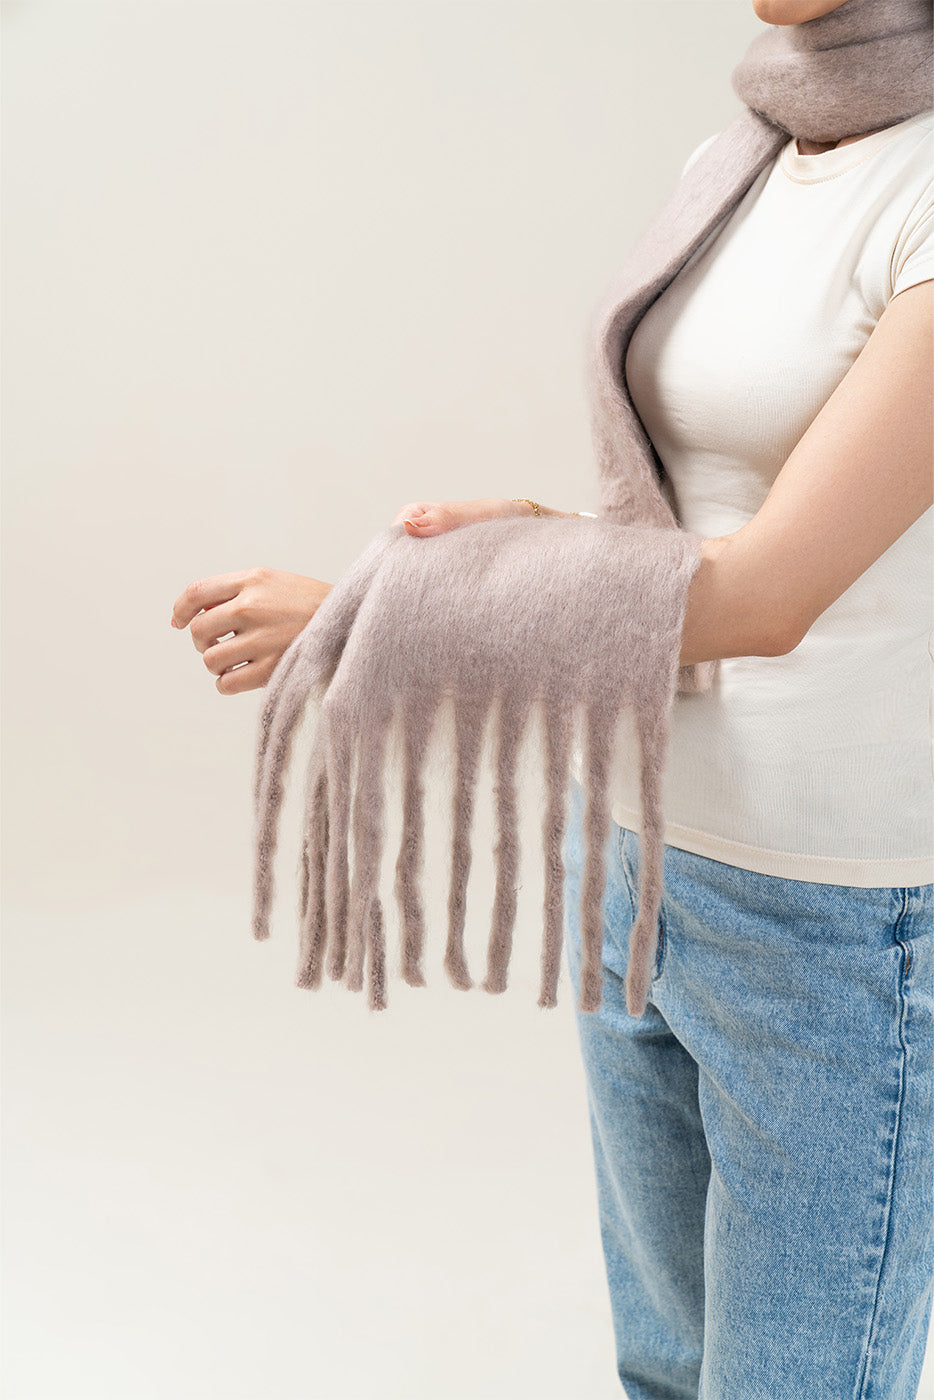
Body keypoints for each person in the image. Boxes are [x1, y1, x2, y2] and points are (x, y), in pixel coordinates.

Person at [171, 0, 933, 1393]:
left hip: (834, 924)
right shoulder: (751, 150)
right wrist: (539, 530)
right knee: (662, 1373)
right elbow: (688, 520)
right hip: (638, 856)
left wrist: (372, 613)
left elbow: (765, 591)